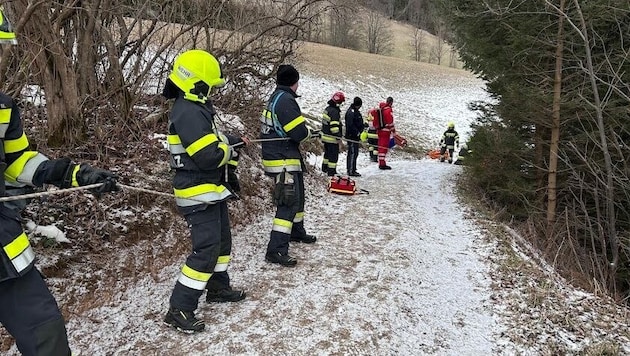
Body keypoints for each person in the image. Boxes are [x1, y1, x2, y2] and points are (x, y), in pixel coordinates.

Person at [0, 9, 119, 354]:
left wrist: (71, 174)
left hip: (5, 250)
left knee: (46, 333)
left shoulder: (4, 108)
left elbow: (17, 161)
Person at [162, 49, 248, 333]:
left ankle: (218, 289)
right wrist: (229, 148)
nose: (212, 90)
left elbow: (212, 141)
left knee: (222, 244)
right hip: (197, 192)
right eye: (209, 85)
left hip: (210, 189)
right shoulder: (188, 111)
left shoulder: (195, 108)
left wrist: (231, 140)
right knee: (207, 249)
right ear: (196, 82)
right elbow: (209, 156)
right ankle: (180, 308)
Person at [260, 64, 318, 267]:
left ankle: (296, 232)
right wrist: (310, 133)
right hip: (283, 160)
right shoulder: (286, 101)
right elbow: (299, 133)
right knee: (288, 203)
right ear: (295, 82)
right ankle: (275, 250)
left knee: (298, 197)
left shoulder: (277, 97)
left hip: (283, 157)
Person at [321, 91, 345, 176]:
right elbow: (334, 128)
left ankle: (324, 168)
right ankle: (331, 171)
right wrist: (339, 138)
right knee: (333, 156)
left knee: (327, 154)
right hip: (332, 139)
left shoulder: (327, 109)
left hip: (325, 137)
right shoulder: (335, 112)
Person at [373, 96, 395, 170]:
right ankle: (382, 164)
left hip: (380, 131)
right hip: (385, 131)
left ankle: (381, 162)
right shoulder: (388, 110)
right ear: (391, 102)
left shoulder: (381, 109)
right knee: (383, 147)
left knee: (380, 146)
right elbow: (390, 122)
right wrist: (393, 130)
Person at [344, 96, 365, 176]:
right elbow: (350, 125)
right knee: (352, 153)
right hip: (352, 137)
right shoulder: (351, 112)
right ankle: (351, 170)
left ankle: (352, 168)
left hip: (355, 137)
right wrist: (357, 132)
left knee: (354, 153)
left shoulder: (355, 111)